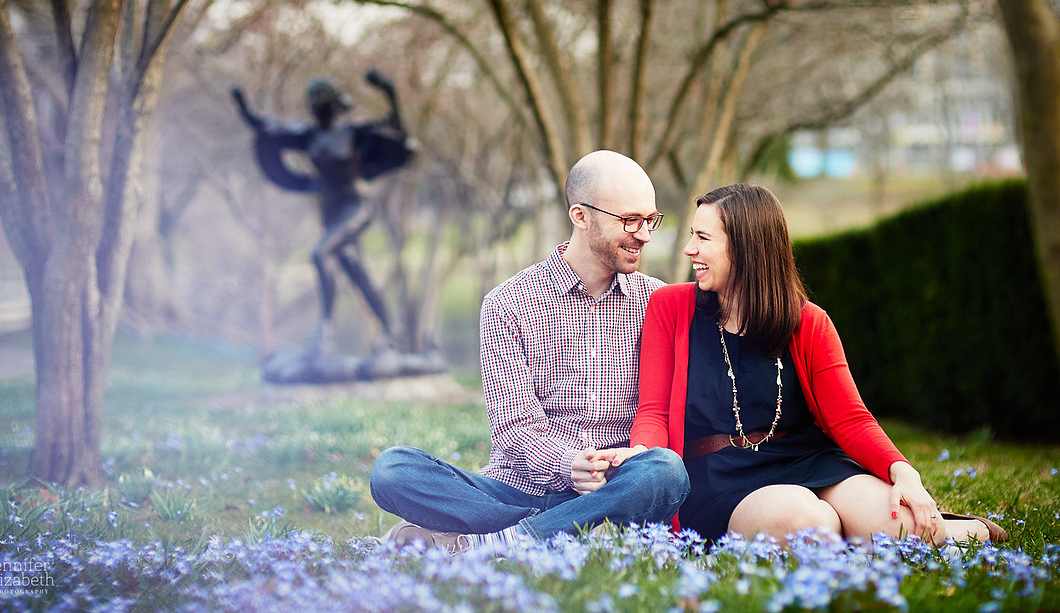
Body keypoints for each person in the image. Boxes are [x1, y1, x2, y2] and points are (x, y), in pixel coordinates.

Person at [630, 183, 1007, 545]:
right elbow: (653, 412)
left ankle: (947, 531)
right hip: (721, 477)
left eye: (703, 238)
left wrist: (902, 471)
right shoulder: (671, 307)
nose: (689, 249)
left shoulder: (808, 321)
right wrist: (641, 461)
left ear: (746, 249)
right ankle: (847, 531)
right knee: (806, 524)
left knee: (908, 529)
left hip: (807, 459)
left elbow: (851, 418)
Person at [370, 150, 689, 552]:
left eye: (650, 221)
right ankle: (552, 533)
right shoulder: (509, 302)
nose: (643, 233)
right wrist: (569, 465)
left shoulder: (656, 300)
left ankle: (495, 542)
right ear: (581, 216)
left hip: (616, 486)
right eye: (629, 220)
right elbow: (513, 427)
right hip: (513, 491)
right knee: (392, 470)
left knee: (665, 472)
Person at [231, 70, 416, 361]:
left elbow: (397, 133)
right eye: (312, 98)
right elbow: (267, 129)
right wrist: (243, 106)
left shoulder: (352, 133)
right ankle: (391, 330)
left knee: (320, 253)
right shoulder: (307, 136)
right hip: (330, 209)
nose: (316, 103)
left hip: (356, 207)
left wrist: (389, 92)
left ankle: (325, 330)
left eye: (321, 97)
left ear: (333, 103)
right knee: (357, 272)